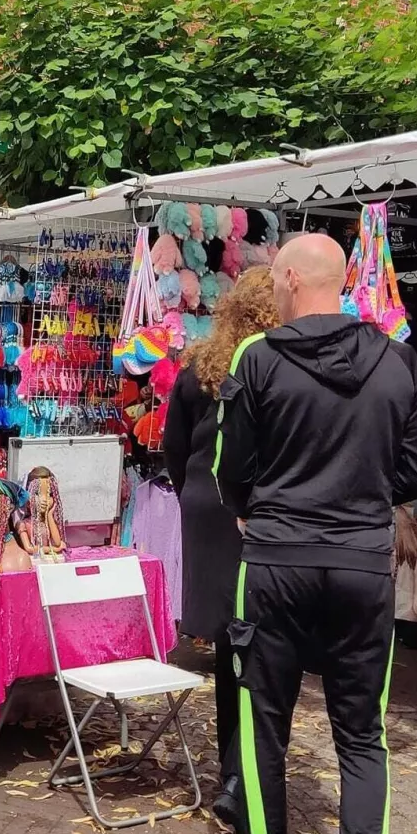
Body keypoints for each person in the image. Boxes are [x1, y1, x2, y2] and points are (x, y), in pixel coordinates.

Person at [213, 234, 417, 834]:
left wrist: (254, 511)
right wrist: (359, 503)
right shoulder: (399, 362)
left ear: (287, 279)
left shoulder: (258, 357)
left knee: (263, 724)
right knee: (363, 735)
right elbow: (416, 473)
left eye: (274, 281)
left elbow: (230, 467)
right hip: (362, 566)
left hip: (276, 562)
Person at [162, 266, 278, 783]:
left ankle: (235, 768)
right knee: (255, 630)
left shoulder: (200, 364)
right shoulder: (278, 364)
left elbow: (175, 444)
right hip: (252, 504)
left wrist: (193, 488)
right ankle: (244, 766)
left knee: (230, 631)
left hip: (205, 498)